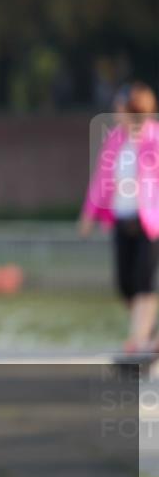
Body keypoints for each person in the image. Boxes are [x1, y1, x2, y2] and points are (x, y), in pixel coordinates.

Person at [80, 81, 159, 353]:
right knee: (125, 284)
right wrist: (89, 214)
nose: (115, 112)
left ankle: (138, 340)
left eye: (119, 107)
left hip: (149, 222)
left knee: (143, 281)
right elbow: (101, 179)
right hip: (121, 218)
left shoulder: (154, 138)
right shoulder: (115, 139)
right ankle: (147, 332)